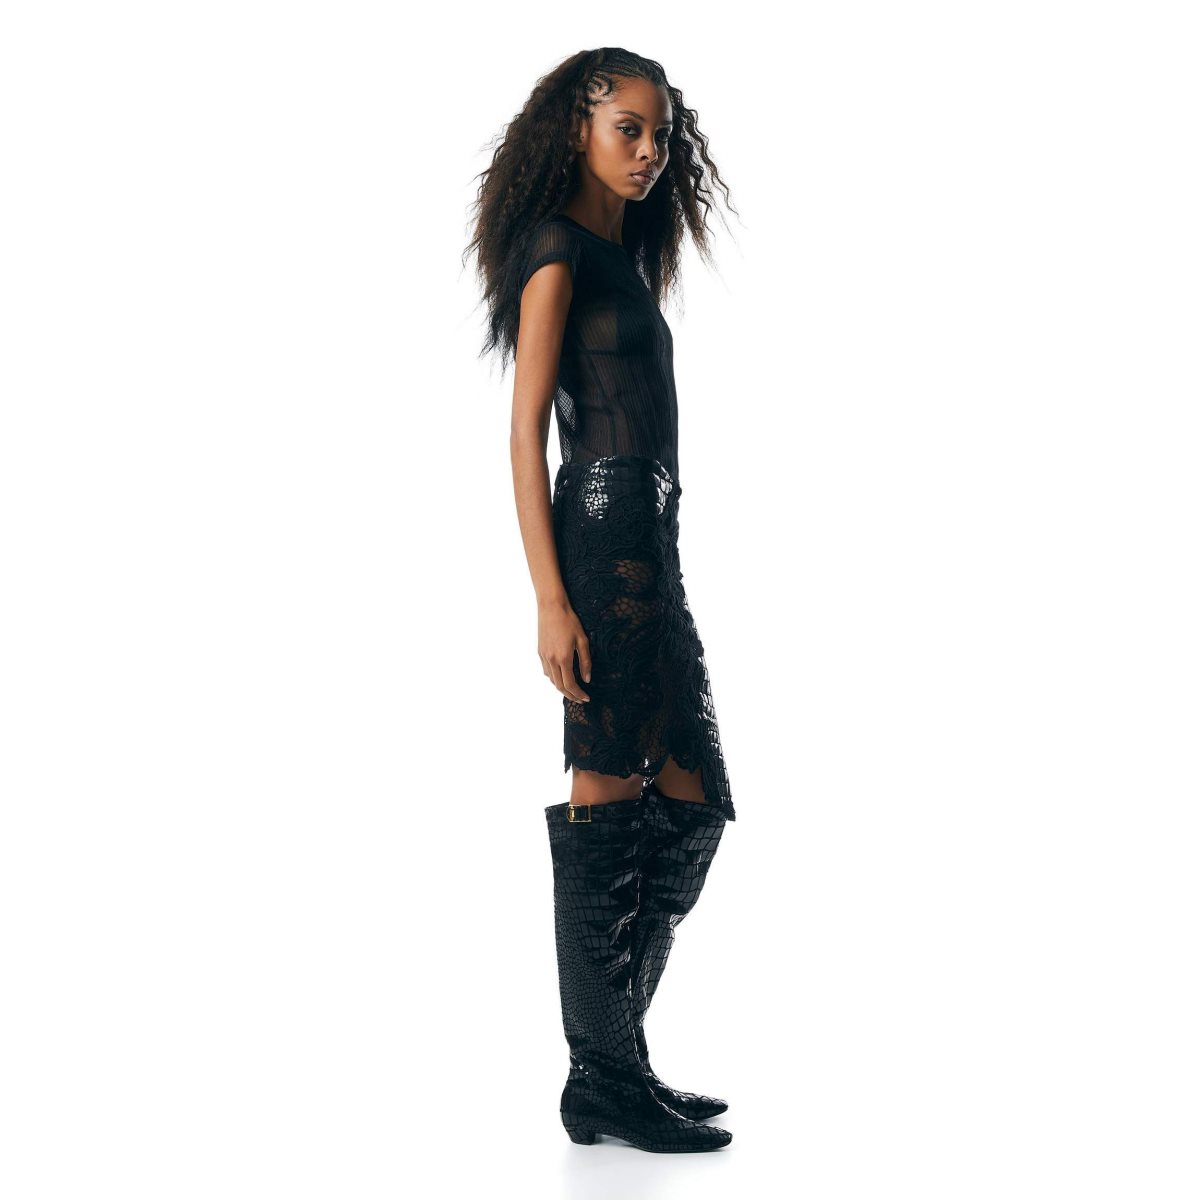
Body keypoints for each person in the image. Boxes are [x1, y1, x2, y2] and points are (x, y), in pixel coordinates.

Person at [465, 48, 739, 1153]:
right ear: (576, 129)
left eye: (660, 133)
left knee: (693, 799)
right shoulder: (555, 252)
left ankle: (613, 1067)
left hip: (649, 537)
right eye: (629, 127)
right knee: (610, 788)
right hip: (601, 533)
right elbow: (523, 434)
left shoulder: (621, 256)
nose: (649, 150)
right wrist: (549, 598)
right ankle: (606, 1078)